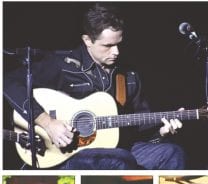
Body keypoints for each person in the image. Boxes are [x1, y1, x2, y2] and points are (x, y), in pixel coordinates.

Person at [4, 3, 185, 170]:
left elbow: (138, 130)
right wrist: (48, 122)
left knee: (172, 153)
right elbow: (8, 82)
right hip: (69, 154)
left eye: (118, 44)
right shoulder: (62, 64)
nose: (116, 52)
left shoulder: (128, 77)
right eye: (108, 45)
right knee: (119, 159)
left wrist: (160, 132)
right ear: (87, 40)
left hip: (119, 149)